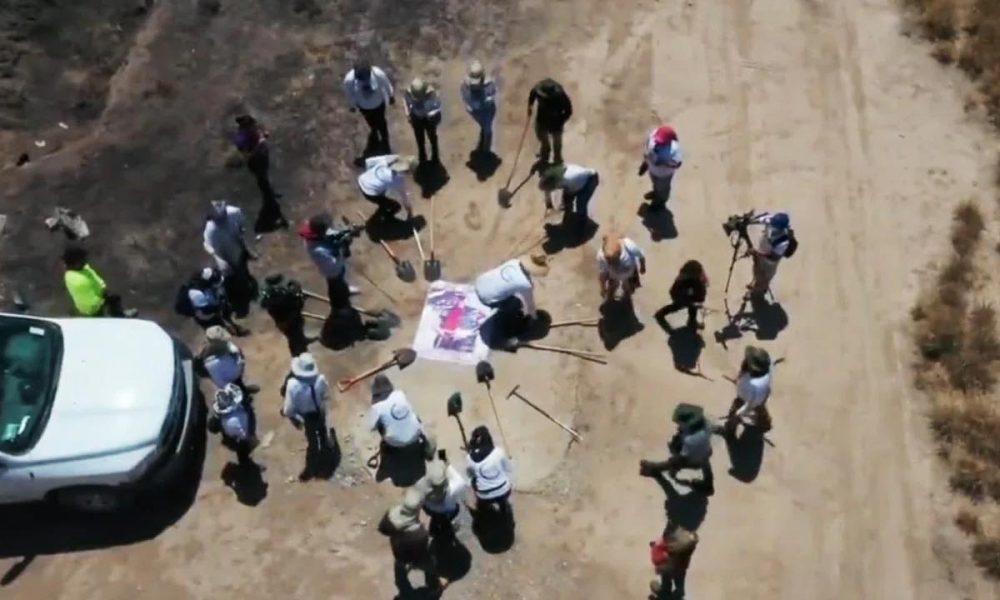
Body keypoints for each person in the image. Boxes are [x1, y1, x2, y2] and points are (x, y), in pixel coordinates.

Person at [639, 403, 714, 496]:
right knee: (705, 461)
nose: (678, 426)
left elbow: (682, 457)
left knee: (674, 461)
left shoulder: (689, 441)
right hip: (706, 453)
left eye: (680, 424)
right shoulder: (706, 425)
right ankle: (708, 484)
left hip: (693, 460)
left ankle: (655, 469)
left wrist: (673, 459)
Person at [381, 487, 447, 593]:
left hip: (398, 549)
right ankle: (435, 587)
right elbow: (426, 543)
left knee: (400, 565)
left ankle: (400, 579)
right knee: (430, 566)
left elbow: (383, 529)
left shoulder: (393, 514)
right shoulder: (418, 531)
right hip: (417, 556)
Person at [281, 353, 334, 480]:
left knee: (312, 439)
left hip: (307, 417)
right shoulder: (320, 379)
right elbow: (326, 395)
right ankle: (326, 446)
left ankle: (313, 461)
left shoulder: (292, 385)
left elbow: (288, 410)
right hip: (319, 411)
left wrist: (296, 419)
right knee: (322, 429)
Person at [474, 255, 549, 345]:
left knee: (514, 302)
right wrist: (533, 319)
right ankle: (508, 330)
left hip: (480, 282)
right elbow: (530, 305)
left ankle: (505, 315)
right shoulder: (525, 284)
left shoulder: (514, 262)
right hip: (487, 298)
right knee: (515, 307)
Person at [232, 114, 288, 233]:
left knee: (265, 177)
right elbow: (246, 155)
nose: (255, 127)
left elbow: (259, 135)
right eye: (252, 126)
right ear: (246, 127)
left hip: (262, 157)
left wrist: (263, 136)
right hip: (255, 161)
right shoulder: (241, 140)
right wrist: (260, 144)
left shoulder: (252, 130)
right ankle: (268, 196)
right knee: (262, 179)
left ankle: (270, 193)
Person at [203, 200, 256, 315]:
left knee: (242, 268)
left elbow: (243, 226)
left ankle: (247, 283)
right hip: (226, 255)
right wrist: (219, 259)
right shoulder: (210, 230)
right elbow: (208, 245)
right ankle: (244, 290)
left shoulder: (234, 212)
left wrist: (248, 246)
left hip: (238, 248)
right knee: (235, 274)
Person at [367, 375, 435, 462]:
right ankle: (425, 443)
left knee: (381, 422)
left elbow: (371, 427)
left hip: (395, 443)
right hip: (415, 435)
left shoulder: (376, 407)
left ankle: (389, 454)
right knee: (413, 415)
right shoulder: (400, 394)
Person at [62, 245, 136, 317]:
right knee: (102, 312)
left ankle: (117, 315)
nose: (85, 262)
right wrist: (100, 301)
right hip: (91, 306)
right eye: (82, 260)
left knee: (114, 299)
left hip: (97, 298)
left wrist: (103, 288)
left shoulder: (84, 269)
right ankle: (118, 317)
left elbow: (95, 278)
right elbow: (86, 296)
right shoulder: (74, 278)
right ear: (74, 263)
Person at [343, 60, 394, 158]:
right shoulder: (349, 81)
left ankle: (385, 141)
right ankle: (374, 132)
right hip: (363, 106)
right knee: (370, 122)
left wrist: (391, 95)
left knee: (382, 123)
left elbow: (386, 84)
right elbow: (349, 94)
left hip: (378, 104)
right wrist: (352, 105)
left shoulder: (378, 74)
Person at [723, 345, 773, 435]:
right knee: (761, 410)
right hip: (763, 394)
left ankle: (729, 431)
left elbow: (750, 404)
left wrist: (739, 413)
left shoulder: (751, 385)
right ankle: (765, 424)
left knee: (735, 414)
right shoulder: (766, 369)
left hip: (748, 399)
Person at [416, 455, 469, 541]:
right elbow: (460, 480)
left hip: (433, 510)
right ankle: (445, 526)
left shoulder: (420, 487)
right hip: (448, 511)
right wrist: (446, 464)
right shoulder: (453, 488)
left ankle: (442, 526)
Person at [184, 267, 249, 336]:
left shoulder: (206, 277)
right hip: (205, 315)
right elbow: (207, 309)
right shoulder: (196, 293)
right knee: (217, 329)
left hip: (212, 306)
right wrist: (218, 306)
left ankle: (236, 329)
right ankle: (231, 332)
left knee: (224, 315)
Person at [465, 425, 514, 516]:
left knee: (474, 482)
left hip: (484, 495)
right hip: (504, 491)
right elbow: (509, 469)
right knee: (503, 491)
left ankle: (484, 511)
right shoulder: (498, 452)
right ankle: (503, 507)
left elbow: (470, 475)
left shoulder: (469, 458)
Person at [259, 274, 312, 356]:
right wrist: (300, 298)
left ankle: (302, 341)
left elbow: (264, 304)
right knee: (295, 339)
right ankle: (299, 354)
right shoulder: (284, 295)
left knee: (295, 336)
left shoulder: (268, 294)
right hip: (290, 321)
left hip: (283, 321)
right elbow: (297, 306)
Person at [197, 326, 258, 394]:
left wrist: (237, 353)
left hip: (235, 373)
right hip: (228, 381)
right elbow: (219, 382)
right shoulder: (211, 363)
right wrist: (227, 388)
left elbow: (229, 345)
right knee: (236, 392)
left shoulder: (221, 345)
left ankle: (244, 390)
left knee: (239, 383)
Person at [357, 154, 418, 221]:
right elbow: (404, 196)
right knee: (396, 207)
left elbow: (369, 161)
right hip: (369, 193)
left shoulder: (391, 159)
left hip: (362, 179)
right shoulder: (397, 180)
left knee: (383, 193)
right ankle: (379, 220)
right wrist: (409, 210)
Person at [538, 162, 599, 228]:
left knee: (580, 203)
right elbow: (547, 188)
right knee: (566, 199)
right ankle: (567, 218)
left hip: (590, 180)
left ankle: (582, 226)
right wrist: (549, 205)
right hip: (578, 177)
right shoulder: (552, 174)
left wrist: (567, 200)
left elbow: (573, 191)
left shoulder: (568, 179)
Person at [648, 521, 699, 599]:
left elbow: (676, 547)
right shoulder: (676, 539)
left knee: (675, 588)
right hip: (673, 567)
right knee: (675, 587)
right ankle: (665, 594)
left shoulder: (679, 540)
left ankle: (665, 594)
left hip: (674, 567)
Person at [747, 212, 793, 298]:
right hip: (761, 252)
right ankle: (755, 282)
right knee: (756, 269)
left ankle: (758, 292)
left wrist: (757, 253)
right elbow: (759, 220)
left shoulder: (783, 242)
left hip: (769, 263)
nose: (771, 226)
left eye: (774, 226)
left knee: (763, 278)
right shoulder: (772, 219)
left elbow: (773, 257)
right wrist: (747, 221)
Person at [527, 78, 572, 164]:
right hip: (542, 119)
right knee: (541, 136)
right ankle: (545, 153)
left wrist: (561, 120)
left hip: (556, 122)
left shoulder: (560, 96)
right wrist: (530, 106)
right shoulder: (538, 91)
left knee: (557, 142)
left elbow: (568, 110)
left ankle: (557, 159)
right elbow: (533, 94)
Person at [211, 383, 258, 465]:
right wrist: (252, 439)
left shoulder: (223, 414)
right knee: (243, 450)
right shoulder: (236, 420)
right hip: (237, 439)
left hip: (231, 433)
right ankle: (245, 463)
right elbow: (244, 436)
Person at [639, 125, 683, 210]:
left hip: (664, 175)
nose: (657, 144)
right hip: (652, 170)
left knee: (663, 189)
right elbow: (647, 152)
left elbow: (677, 164)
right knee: (655, 183)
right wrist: (645, 164)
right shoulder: (653, 136)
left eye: (662, 143)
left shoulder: (675, 151)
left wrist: (664, 162)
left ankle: (659, 203)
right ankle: (656, 193)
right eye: (658, 141)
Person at [655, 260, 708, 330]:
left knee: (693, 304)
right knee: (680, 305)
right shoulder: (682, 281)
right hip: (679, 295)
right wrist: (692, 301)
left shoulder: (698, 277)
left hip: (688, 295)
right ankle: (660, 314)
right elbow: (676, 292)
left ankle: (692, 321)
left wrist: (698, 299)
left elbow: (704, 284)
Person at [460, 60, 497, 155]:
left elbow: (492, 94)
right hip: (475, 112)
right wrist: (468, 105)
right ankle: (483, 134)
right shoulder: (465, 85)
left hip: (487, 110)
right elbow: (464, 95)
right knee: (483, 126)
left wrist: (489, 99)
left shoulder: (489, 84)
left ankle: (486, 151)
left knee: (488, 129)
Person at [403, 78, 442, 164]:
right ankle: (422, 154)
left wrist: (431, 113)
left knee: (432, 136)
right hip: (416, 118)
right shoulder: (408, 92)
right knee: (419, 137)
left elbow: (438, 106)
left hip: (429, 118)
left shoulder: (431, 93)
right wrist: (407, 113)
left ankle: (435, 153)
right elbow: (405, 101)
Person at [597, 235, 646, 302]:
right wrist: (602, 288)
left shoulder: (629, 246)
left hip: (629, 274)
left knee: (628, 289)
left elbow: (641, 256)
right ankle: (611, 299)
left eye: (613, 260)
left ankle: (626, 295)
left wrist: (642, 266)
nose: (610, 263)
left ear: (619, 252)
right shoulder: (601, 256)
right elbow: (602, 274)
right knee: (612, 287)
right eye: (608, 261)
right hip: (613, 275)